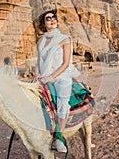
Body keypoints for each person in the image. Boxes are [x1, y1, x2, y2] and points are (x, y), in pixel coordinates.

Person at [34, 9, 80, 153]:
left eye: (54, 17)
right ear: (44, 24)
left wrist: (51, 77)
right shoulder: (41, 41)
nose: (52, 19)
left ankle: (59, 137)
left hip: (61, 76)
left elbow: (66, 63)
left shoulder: (64, 39)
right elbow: (38, 61)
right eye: (48, 18)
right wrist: (36, 73)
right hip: (44, 75)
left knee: (62, 101)